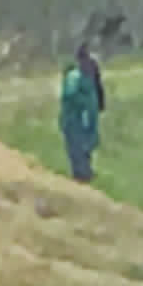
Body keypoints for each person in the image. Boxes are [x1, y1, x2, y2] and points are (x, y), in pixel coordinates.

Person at [57, 44, 104, 183]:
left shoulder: (91, 75)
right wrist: (83, 106)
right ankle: (80, 174)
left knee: (87, 144)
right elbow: (70, 96)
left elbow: (98, 91)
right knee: (77, 146)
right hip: (75, 118)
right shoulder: (74, 77)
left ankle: (86, 171)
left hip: (88, 117)